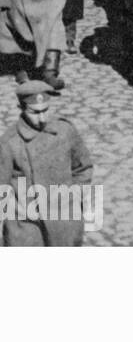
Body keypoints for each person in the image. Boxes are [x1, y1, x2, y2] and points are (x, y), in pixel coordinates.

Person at [0, 81, 95, 247]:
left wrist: (75, 199)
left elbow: (83, 168)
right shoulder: (9, 143)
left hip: (64, 220)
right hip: (27, 225)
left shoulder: (64, 131)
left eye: (45, 110)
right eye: (35, 112)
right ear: (21, 108)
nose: (42, 118)